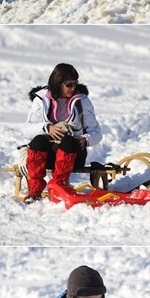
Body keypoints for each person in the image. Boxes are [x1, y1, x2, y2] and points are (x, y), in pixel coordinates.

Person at [24, 64, 103, 202]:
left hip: (73, 154)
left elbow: (96, 132)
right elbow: (27, 130)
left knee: (68, 141)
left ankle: (59, 187)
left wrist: (85, 139)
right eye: (69, 85)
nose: (73, 88)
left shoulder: (82, 101)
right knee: (38, 141)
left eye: (75, 84)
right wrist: (47, 128)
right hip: (49, 156)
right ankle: (34, 191)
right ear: (57, 83)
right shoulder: (41, 100)